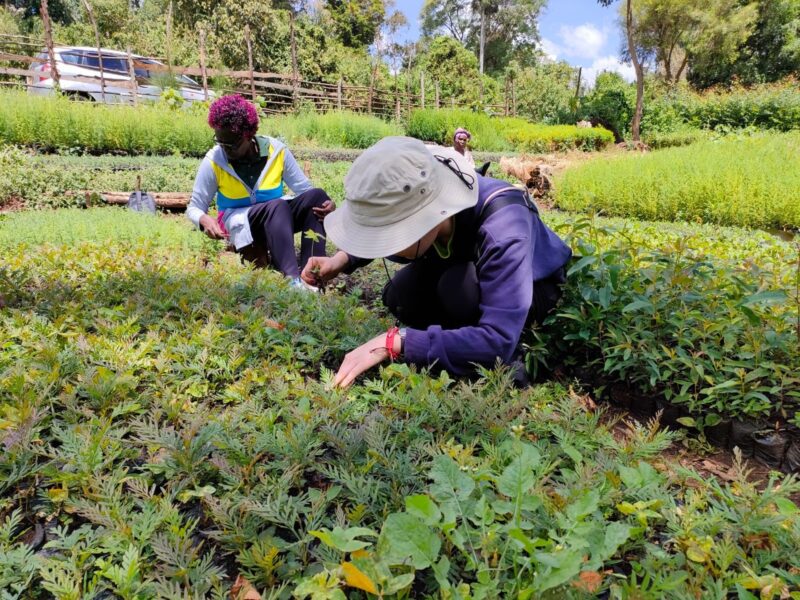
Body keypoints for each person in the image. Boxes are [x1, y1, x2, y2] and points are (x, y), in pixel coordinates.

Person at [301, 136, 572, 388]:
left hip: (532, 289)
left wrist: (397, 342)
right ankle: (456, 337)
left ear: (423, 219)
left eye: (390, 235)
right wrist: (340, 260)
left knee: (457, 289)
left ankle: (499, 352)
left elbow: (497, 337)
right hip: (462, 265)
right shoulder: (432, 207)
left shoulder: (503, 225)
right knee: (400, 296)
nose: (385, 246)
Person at [186, 94, 334, 288]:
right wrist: (204, 219)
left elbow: (305, 190)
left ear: (248, 134)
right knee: (277, 206)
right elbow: (194, 207)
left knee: (316, 197)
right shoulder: (215, 159)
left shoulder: (276, 151)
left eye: (232, 143)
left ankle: (313, 277)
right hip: (240, 221)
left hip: (277, 220)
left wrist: (328, 205)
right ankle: (293, 283)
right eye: (220, 141)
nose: (225, 148)